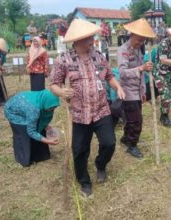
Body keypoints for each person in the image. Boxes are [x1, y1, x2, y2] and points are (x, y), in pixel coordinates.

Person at [50, 19, 125, 197]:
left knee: (109, 143)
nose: (92, 41)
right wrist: (61, 92)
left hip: (101, 110)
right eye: (88, 38)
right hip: (79, 114)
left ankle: (100, 164)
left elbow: (109, 76)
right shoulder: (64, 60)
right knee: (80, 150)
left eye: (92, 37)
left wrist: (118, 87)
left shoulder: (99, 56)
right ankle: (84, 181)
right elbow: (53, 84)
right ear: (77, 40)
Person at [118, 18, 156, 159]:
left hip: (137, 90)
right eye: (139, 40)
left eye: (143, 41)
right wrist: (141, 68)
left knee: (131, 119)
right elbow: (122, 73)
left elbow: (141, 74)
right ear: (131, 35)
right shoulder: (123, 50)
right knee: (137, 121)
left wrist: (143, 91)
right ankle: (132, 145)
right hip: (127, 91)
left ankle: (126, 138)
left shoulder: (139, 49)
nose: (140, 43)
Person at [4, 89, 60, 167]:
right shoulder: (34, 110)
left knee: (37, 125)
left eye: (54, 107)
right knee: (24, 132)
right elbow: (31, 131)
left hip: (24, 106)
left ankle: (40, 156)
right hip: (13, 112)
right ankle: (23, 159)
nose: (52, 109)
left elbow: (42, 120)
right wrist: (47, 141)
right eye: (50, 108)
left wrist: (46, 126)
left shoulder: (44, 100)